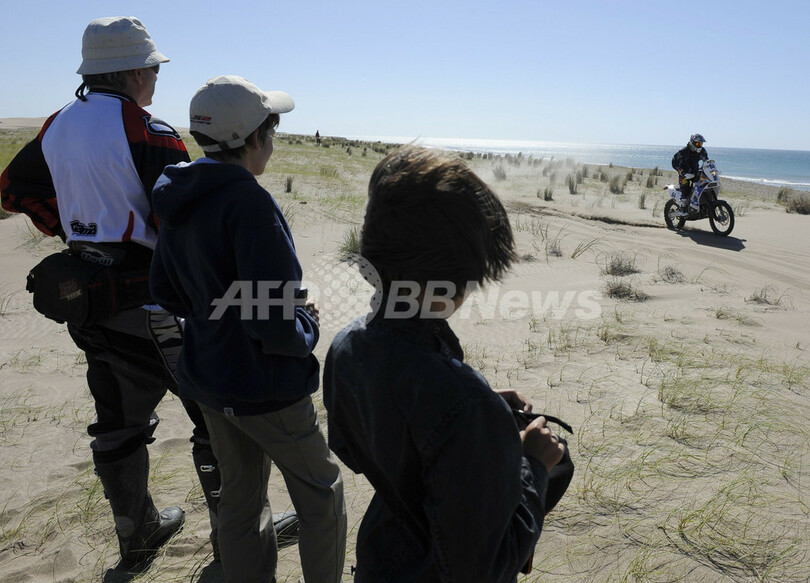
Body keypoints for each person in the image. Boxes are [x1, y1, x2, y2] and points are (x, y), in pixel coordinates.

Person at [0, 17, 296, 574]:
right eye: (154, 69)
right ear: (138, 71)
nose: (156, 79)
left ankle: (135, 536)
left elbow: (13, 190)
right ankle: (234, 536)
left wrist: (72, 232)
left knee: (117, 420)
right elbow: (182, 220)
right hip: (154, 305)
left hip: (87, 297)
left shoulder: (57, 125)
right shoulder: (149, 131)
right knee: (216, 418)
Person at [323, 145, 567, 582]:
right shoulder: (466, 406)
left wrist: (471, 413)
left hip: (381, 557)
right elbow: (485, 566)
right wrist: (533, 463)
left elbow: (352, 449)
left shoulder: (344, 348)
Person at [149, 75, 347, 583]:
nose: (273, 145)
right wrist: (307, 321)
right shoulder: (250, 204)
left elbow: (168, 293)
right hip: (266, 387)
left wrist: (220, 307)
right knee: (321, 493)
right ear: (253, 139)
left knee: (241, 498)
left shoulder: (177, 195)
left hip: (209, 379)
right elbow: (274, 326)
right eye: (272, 133)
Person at [671, 133, 709, 215]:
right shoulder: (683, 152)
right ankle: (683, 208)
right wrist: (681, 171)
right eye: (698, 143)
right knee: (685, 188)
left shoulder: (702, 151)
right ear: (692, 142)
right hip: (685, 174)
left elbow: (706, 161)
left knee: (704, 185)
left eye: (701, 144)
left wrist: (707, 168)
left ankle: (702, 204)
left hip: (695, 172)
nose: (700, 145)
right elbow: (674, 162)